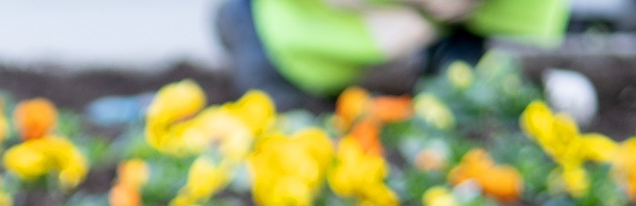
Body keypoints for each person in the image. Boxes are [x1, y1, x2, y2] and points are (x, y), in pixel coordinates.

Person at [217, 0, 571, 101]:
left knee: (474, 95)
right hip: (295, 39)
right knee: (290, 106)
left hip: (460, 31)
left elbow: (534, 35)